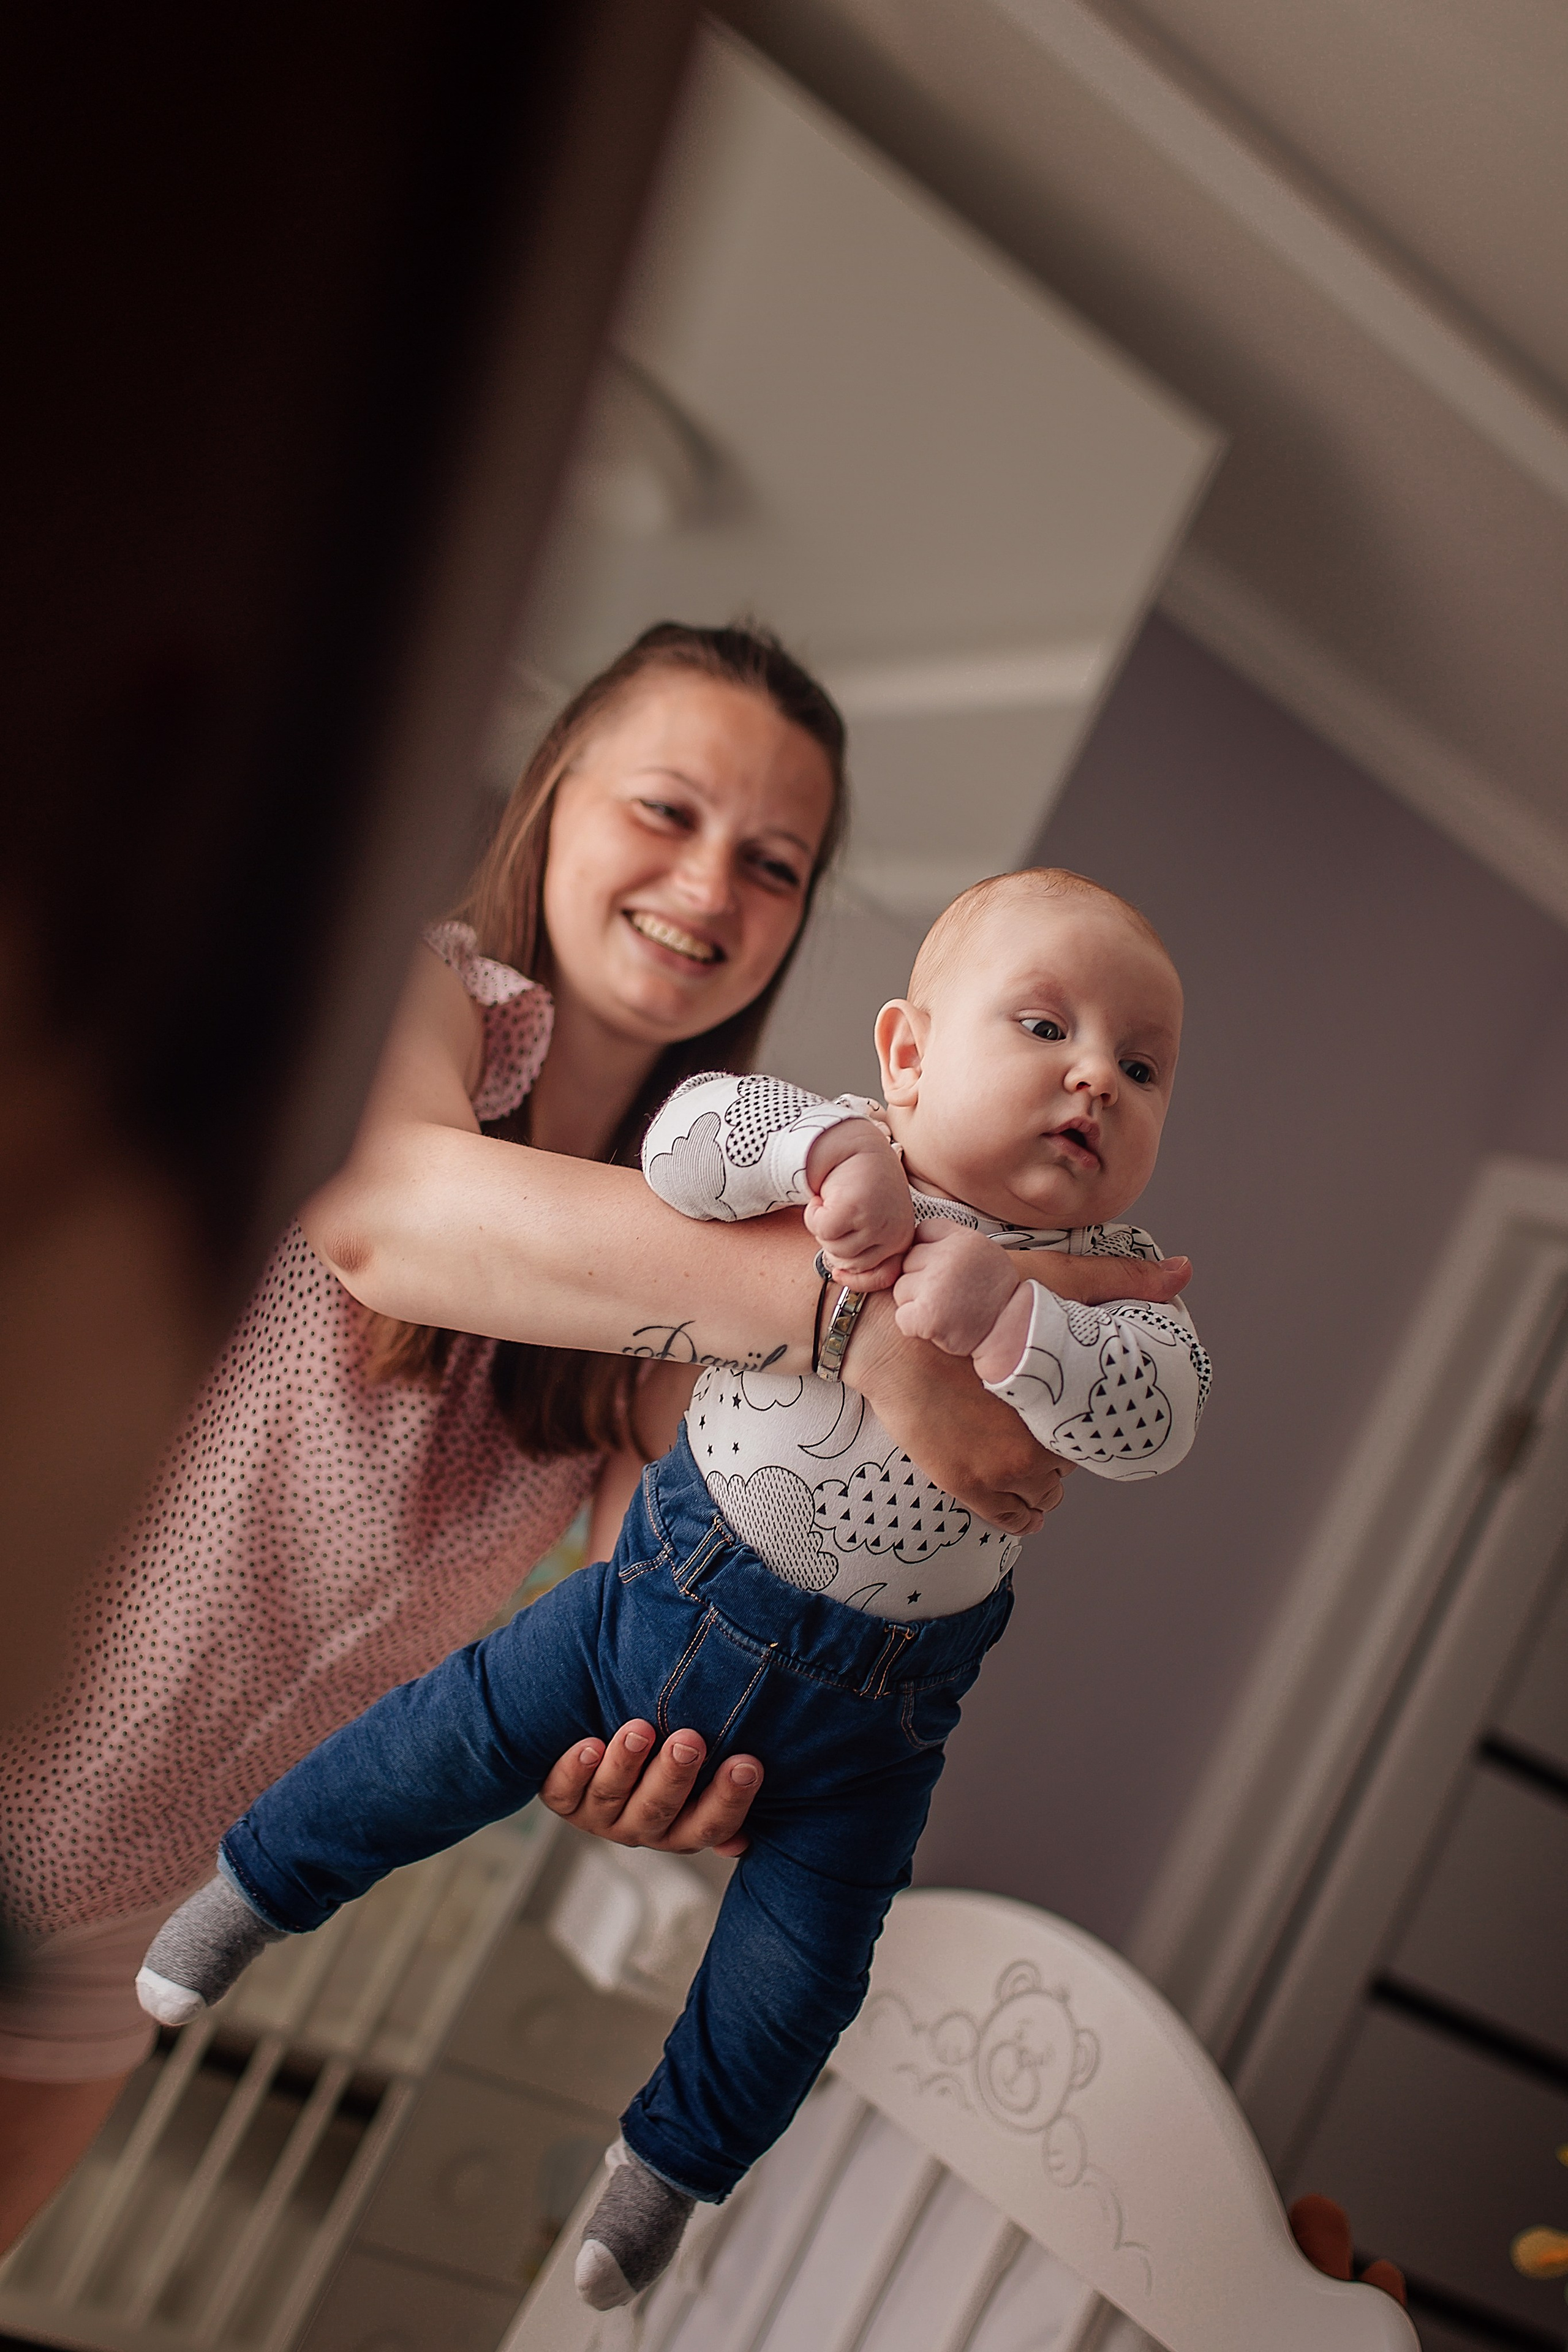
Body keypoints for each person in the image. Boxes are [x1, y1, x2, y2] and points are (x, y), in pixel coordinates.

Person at [0, 625, 1183, 2250]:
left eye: (773, 864)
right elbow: (396, 1215)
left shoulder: (711, 1227)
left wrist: (661, 1764)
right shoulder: (416, 993)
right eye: (667, 812)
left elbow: (677, 1597)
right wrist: (881, 1329)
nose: (710, 890)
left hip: (130, 1893)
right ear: (554, 798)